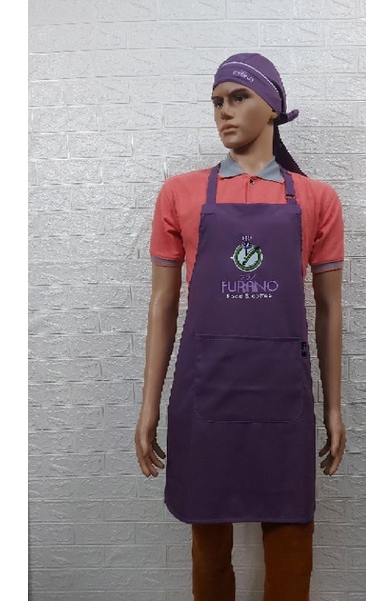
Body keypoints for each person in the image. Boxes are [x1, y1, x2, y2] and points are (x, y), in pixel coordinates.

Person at [134, 52, 346, 601]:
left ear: (272, 107)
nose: (224, 111)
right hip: (206, 392)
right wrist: (149, 405)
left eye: (238, 97)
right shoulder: (181, 193)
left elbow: (329, 309)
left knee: (291, 543)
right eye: (216, 102)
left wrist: (334, 407)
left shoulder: (317, 199)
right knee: (208, 547)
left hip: (282, 394)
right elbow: (163, 303)